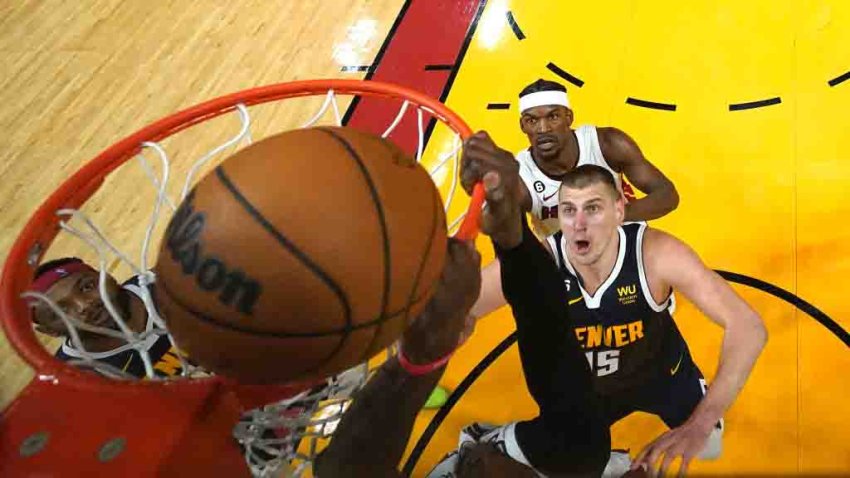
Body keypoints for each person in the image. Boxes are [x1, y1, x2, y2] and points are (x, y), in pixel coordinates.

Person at [462, 133, 769, 474]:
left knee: (708, 445)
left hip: (660, 374)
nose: (579, 225)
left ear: (619, 210)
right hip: (588, 393)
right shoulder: (543, 261)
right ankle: (496, 439)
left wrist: (699, 424)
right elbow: (461, 308)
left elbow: (749, 327)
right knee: (581, 461)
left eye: (593, 209)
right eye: (568, 211)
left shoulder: (655, 253)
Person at [315, 169, 633, 477]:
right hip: (568, 450)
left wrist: (422, 358)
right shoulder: (578, 452)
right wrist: (512, 237)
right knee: (580, 444)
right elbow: (549, 330)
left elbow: (343, 468)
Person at [468, 78, 679, 321]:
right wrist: (493, 200)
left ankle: (653, 288)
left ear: (569, 118)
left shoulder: (607, 144)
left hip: (623, 242)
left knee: (651, 314)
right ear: (523, 126)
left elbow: (667, 195)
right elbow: (505, 238)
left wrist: (613, 219)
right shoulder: (520, 178)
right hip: (568, 257)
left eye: (553, 117)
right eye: (532, 120)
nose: (543, 128)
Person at [28, 257, 185, 378]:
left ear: (106, 276)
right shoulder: (75, 376)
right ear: (50, 331)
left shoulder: (171, 282)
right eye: (60, 311)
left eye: (87, 287)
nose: (85, 305)